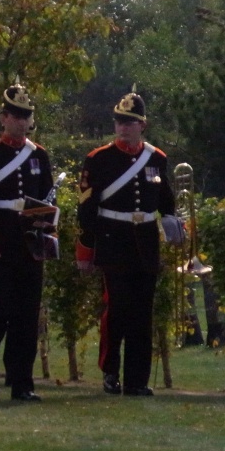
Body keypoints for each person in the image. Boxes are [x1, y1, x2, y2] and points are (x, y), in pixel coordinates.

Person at [76, 89, 180, 396]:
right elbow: (86, 208)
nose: (124, 127)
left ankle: (137, 380)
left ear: (142, 125)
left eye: (130, 122)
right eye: (120, 121)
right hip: (113, 240)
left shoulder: (156, 158)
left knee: (141, 314)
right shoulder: (99, 159)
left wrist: (172, 219)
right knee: (117, 309)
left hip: (145, 243)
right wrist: (85, 248)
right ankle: (110, 370)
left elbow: (165, 200)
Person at [0, 81, 54, 402]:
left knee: (27, 316)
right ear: (3, 118)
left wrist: (48, 232)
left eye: (26, 116)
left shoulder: (39, 155)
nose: (21, 121)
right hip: (1, 237)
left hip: (29, 241)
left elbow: (46, 198)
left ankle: (22, 383)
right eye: (15, 115)